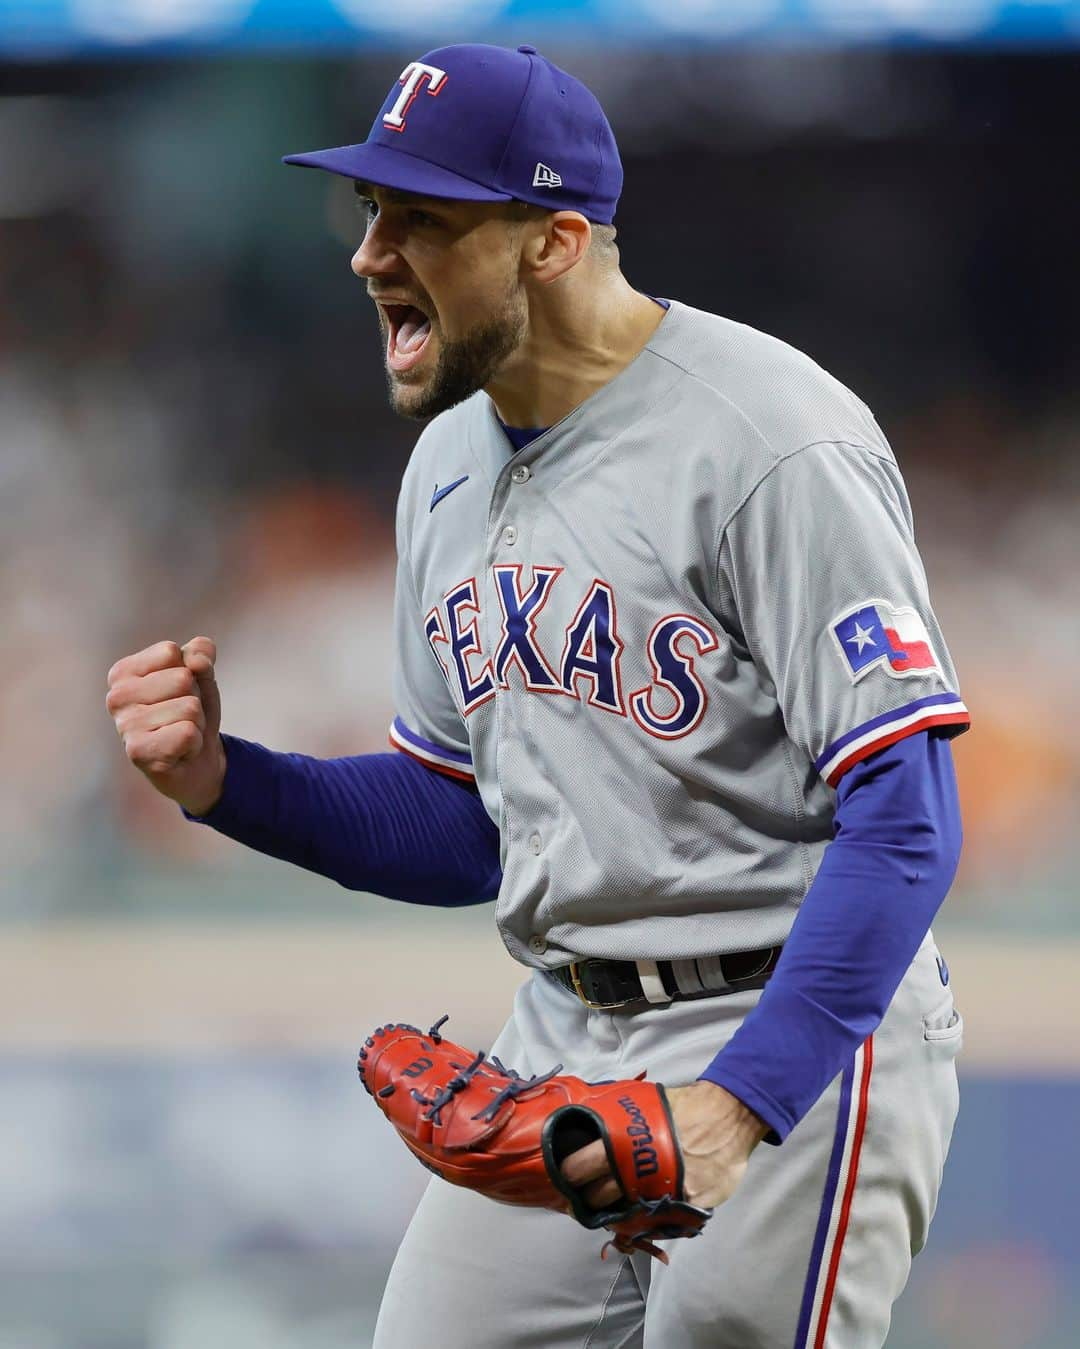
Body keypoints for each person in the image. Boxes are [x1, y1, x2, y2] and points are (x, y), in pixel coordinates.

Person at [106, 43, 970, 1348]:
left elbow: (907, 818)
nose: (370, 253)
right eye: (370, 211)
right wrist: (234, 784)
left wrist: (738, 1105)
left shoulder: (770, 440)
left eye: (422, 220)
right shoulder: (448, 463)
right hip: (568, 1029)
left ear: (555, 241)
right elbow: (467, 821)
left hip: (795, 1025)